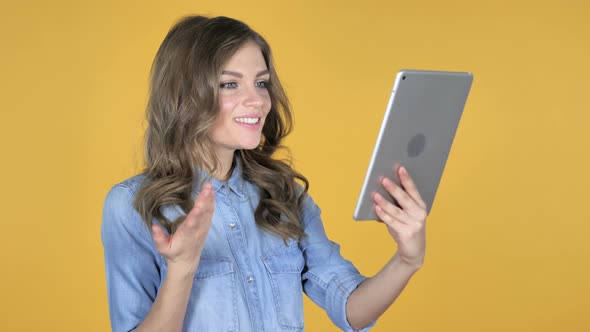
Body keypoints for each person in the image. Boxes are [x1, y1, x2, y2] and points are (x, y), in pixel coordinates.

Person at [101, 15, 427, 332]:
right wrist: (182, 269)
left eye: (261, 83)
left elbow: (351, 310)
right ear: (184, 97)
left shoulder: (283, 195)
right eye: (230, 84)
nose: (256, 100)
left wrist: (406, 260)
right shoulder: (132, 206)